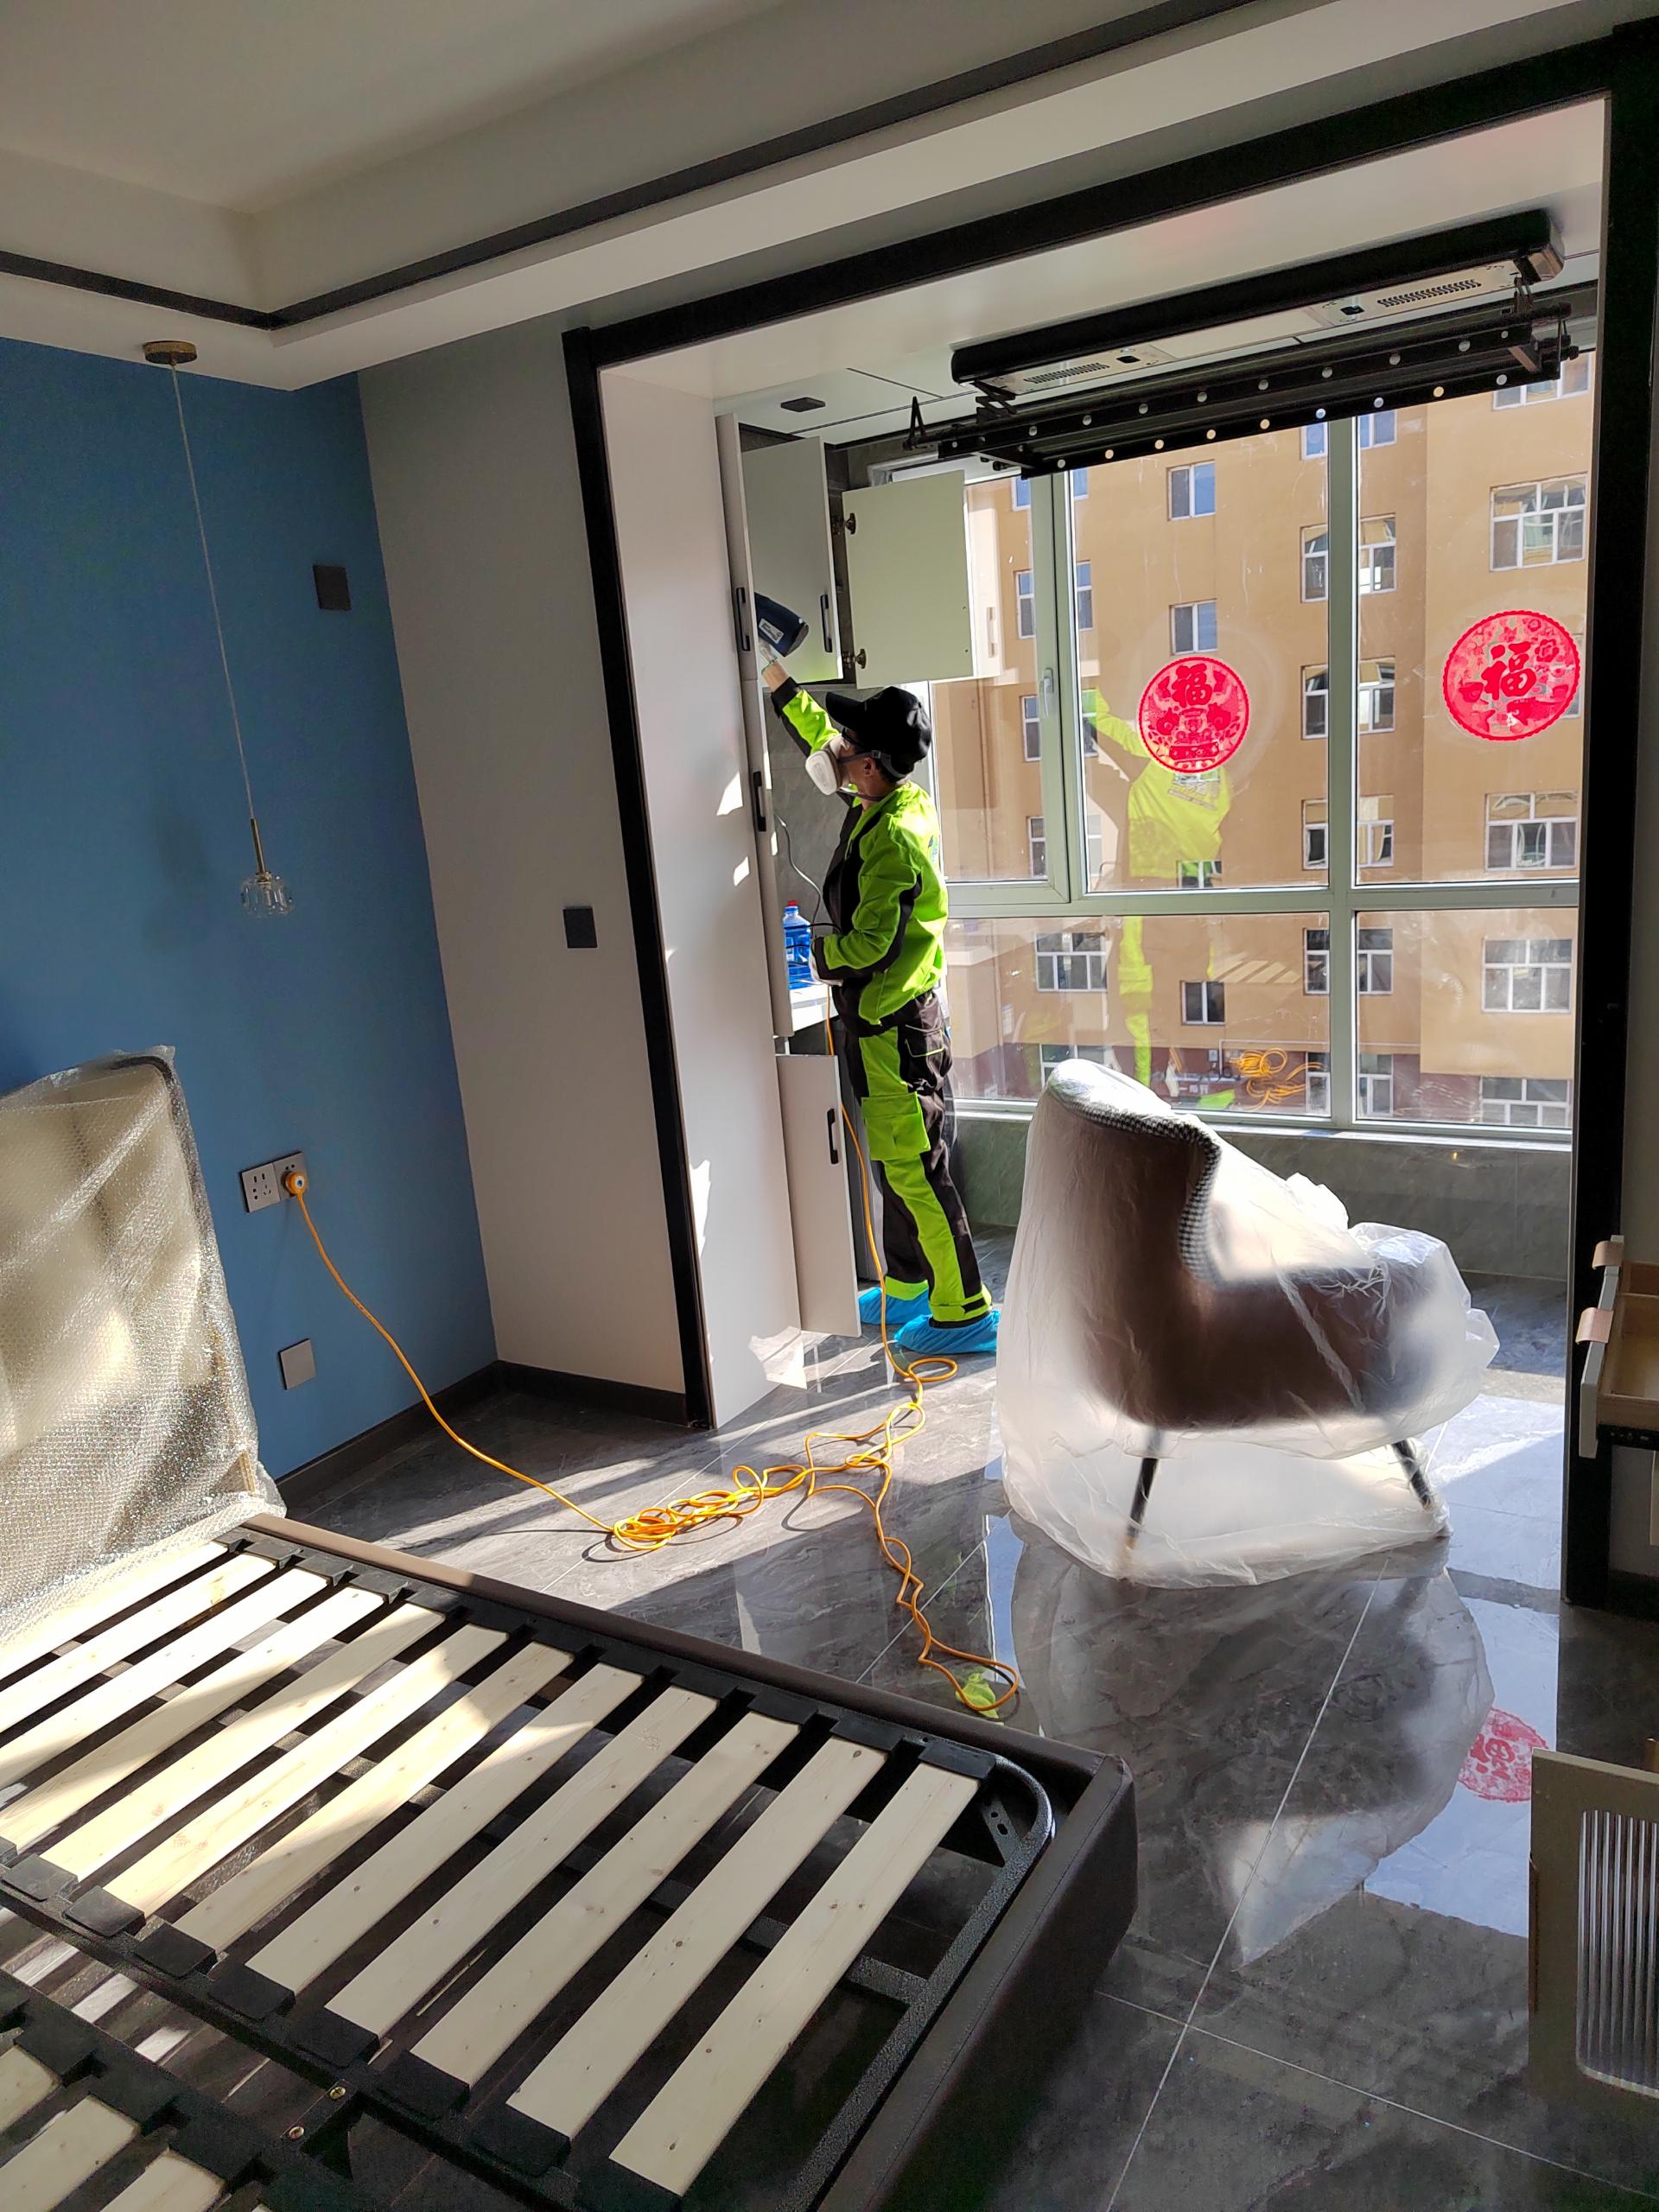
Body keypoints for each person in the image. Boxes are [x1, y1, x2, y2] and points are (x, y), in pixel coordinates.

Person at [762, 658, 997, 1357]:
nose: (834, 747)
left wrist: (811, 955)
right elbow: (821, 736)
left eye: (847, 744)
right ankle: (908, 1285)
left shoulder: (892, 837)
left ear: (868, 764)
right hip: (891, 1024)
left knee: (917, 1170)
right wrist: (778, 681)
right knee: (897, 1166)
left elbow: (870, 945)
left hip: (895, 1029)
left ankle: (964, 1311)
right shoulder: (892, 799)